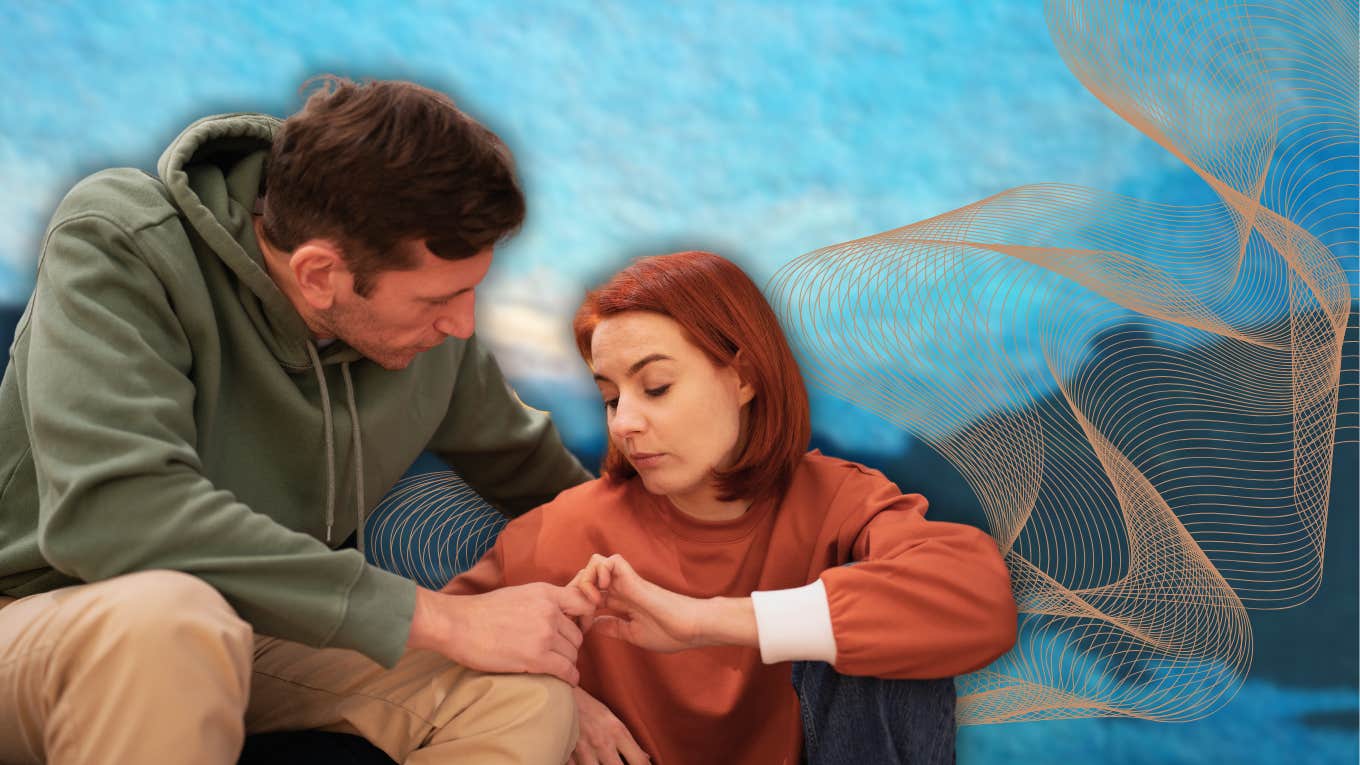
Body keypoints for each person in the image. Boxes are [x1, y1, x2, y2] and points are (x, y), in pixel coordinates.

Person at [0, 77, 598, 764]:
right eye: (440, 297)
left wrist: (694, 592)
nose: (462, 323)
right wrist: (436, 617)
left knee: (523, 699)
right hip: (43, 621)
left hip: (255, 631)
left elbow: (558, 495)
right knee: (169, 622)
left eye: (472, 292)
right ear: (319, 274)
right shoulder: (122, 239)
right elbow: (118, 516)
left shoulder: (431, 344)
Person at [444, 251, 1019, 764]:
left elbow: (977, 602)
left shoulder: (839, 500)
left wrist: (704, 621)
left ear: (742, 376)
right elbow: (411, 655)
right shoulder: (564, 529)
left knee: (897, 635)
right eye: (610, 398)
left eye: (657, 387)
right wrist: (556, 704)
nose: (625, 424)